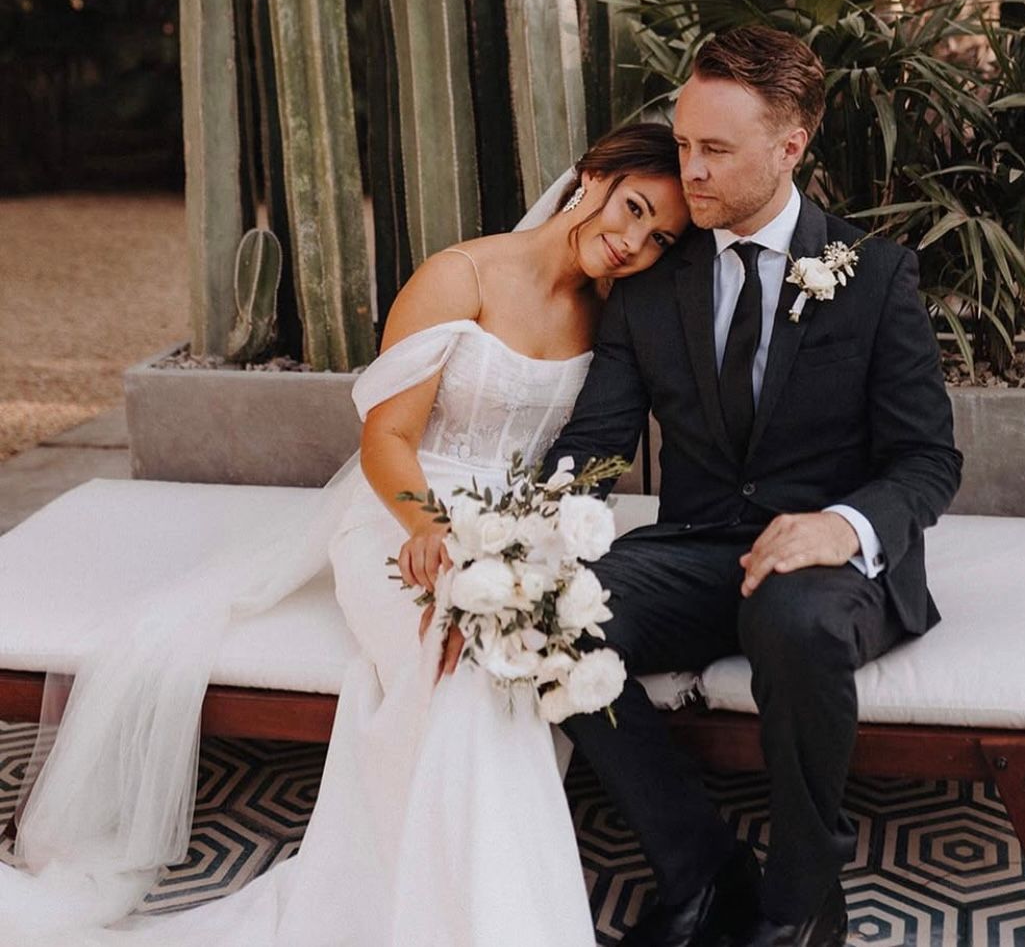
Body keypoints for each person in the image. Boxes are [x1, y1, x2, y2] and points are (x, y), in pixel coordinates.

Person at [0, 122, 690, 947]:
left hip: (513, 538)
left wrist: (525, 550)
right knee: (464, 670)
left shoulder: (609, 311)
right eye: (634, 209)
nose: (633, 243)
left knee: (511, 672)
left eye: (659, 239)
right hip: (399, 517)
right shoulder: (458, 276)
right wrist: (431, 533)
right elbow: (385, 440)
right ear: (593, 179)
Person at [543, 26, 963, 947]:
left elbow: (928, 459)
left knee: (794, 618)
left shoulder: (876, 274)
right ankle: (697, 866)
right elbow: (599, 442)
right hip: (699, 547)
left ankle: (803, 894)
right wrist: (520, 543)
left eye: (714, 151)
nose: (687, 171)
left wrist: (843, 526)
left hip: (826, 571)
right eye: (683, 142)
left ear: (789, 146)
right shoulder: (653, 282)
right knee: (550, 614)